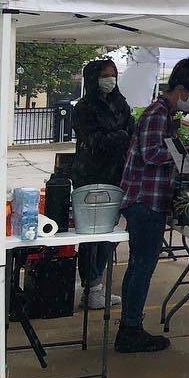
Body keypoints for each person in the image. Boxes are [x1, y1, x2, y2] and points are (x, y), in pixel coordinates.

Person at [118, 58, 189, 353]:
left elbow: (165, 153)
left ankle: (129, 325)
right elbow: (151, 154)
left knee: (140, 265)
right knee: (142, 266)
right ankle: (130, 330)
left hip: (150, 199)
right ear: (181, 90)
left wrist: (188, 159)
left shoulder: (167, 114)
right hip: (144, 200)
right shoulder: (156, 114)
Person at [72, 58, 133, 310]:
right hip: (91, 177)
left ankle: (96, 283)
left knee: (110, 234)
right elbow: (94, 140)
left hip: (117, 175)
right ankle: (92, 285)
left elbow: (132, 131)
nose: (111, 80)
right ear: (94, 78)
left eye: (114, 75)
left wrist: (121, 137)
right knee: (91, 236)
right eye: (106, 75)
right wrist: (120, 136)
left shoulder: (121, 103)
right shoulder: (83, 108)